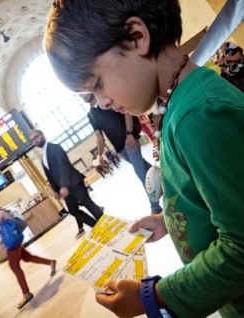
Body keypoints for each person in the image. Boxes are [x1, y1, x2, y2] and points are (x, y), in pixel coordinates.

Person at [44, 1, 244, 317]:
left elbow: (241, 248)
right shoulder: (178, 105)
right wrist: (174, 220)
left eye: (97, 84)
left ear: (137, 37)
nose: (102, 103)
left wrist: (153, 297)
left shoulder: (199, 114)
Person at [0, 194, 57, 309]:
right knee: (27, 257)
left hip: (11, 239)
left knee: (14, 267)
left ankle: (26, 293)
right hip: (6, 244)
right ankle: (51, 262)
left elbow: (6, 216)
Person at [83, 93, 162, 214]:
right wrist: (99, 155)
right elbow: (99, 136)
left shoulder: (106, 100)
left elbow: (126, 113)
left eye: (83, 93)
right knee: (145, 167)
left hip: (130, 140)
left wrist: (129, 134)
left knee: (140, 172)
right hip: (120, 148)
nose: (82, 96)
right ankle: (168, 182)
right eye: (78, 95)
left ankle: (155, 207)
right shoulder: (91, 114)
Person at [30, 129, 104, 238]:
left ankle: (106, 224)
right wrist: (56, 191)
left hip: (73, 183)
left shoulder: (55, 148)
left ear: (42, 135)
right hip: (65, 189)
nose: (35, 141)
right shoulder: (43, 157)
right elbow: (50, 175)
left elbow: (64, 167)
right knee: (73, 211)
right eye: (32, 140)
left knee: (88, 203)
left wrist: (63, 185)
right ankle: (96, 226)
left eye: (36, 137)